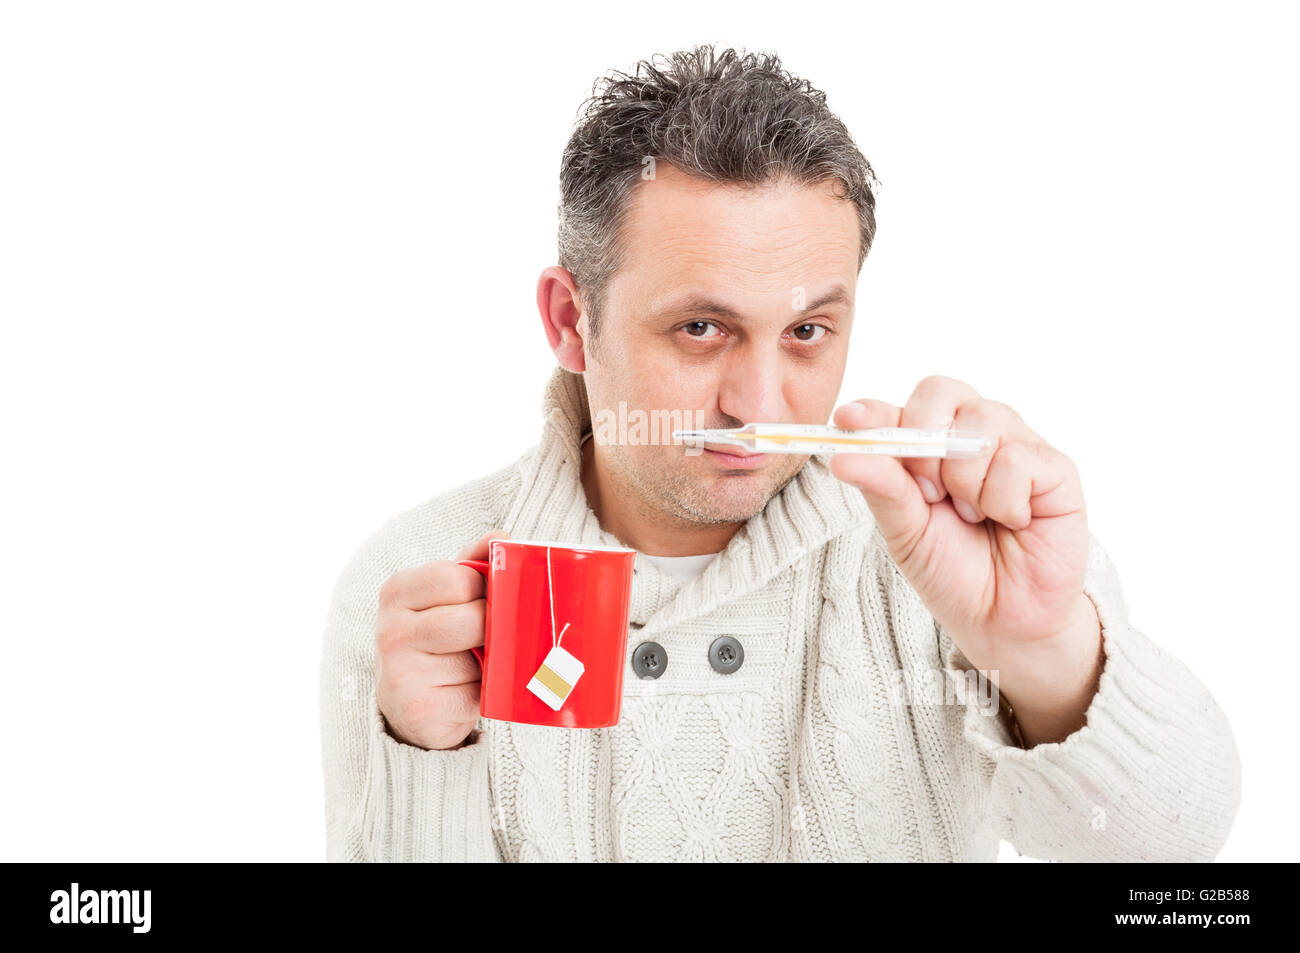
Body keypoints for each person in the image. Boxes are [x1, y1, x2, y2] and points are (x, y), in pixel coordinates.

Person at [319, 44, 1241, 862]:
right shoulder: (420, 586)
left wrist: (1045, 652)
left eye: (806, 330)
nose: (758, 406)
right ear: (572, 320)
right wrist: (425, 764)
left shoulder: (959, 551)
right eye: (701, 327)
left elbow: (1175, 856)